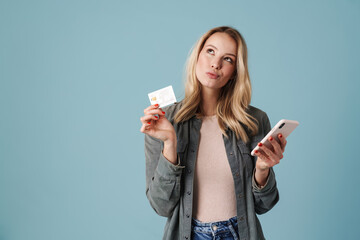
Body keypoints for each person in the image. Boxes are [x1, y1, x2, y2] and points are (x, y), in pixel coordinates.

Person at [140, 26, 287, 240]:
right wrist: (170, 144)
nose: (215, 64)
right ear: (197, 55)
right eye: (210, 51)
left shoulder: (254, 121)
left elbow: (265, 205)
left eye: (227, 59)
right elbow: (161, 206)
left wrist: (262, 170)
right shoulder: (165, 121)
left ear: (235, 71)